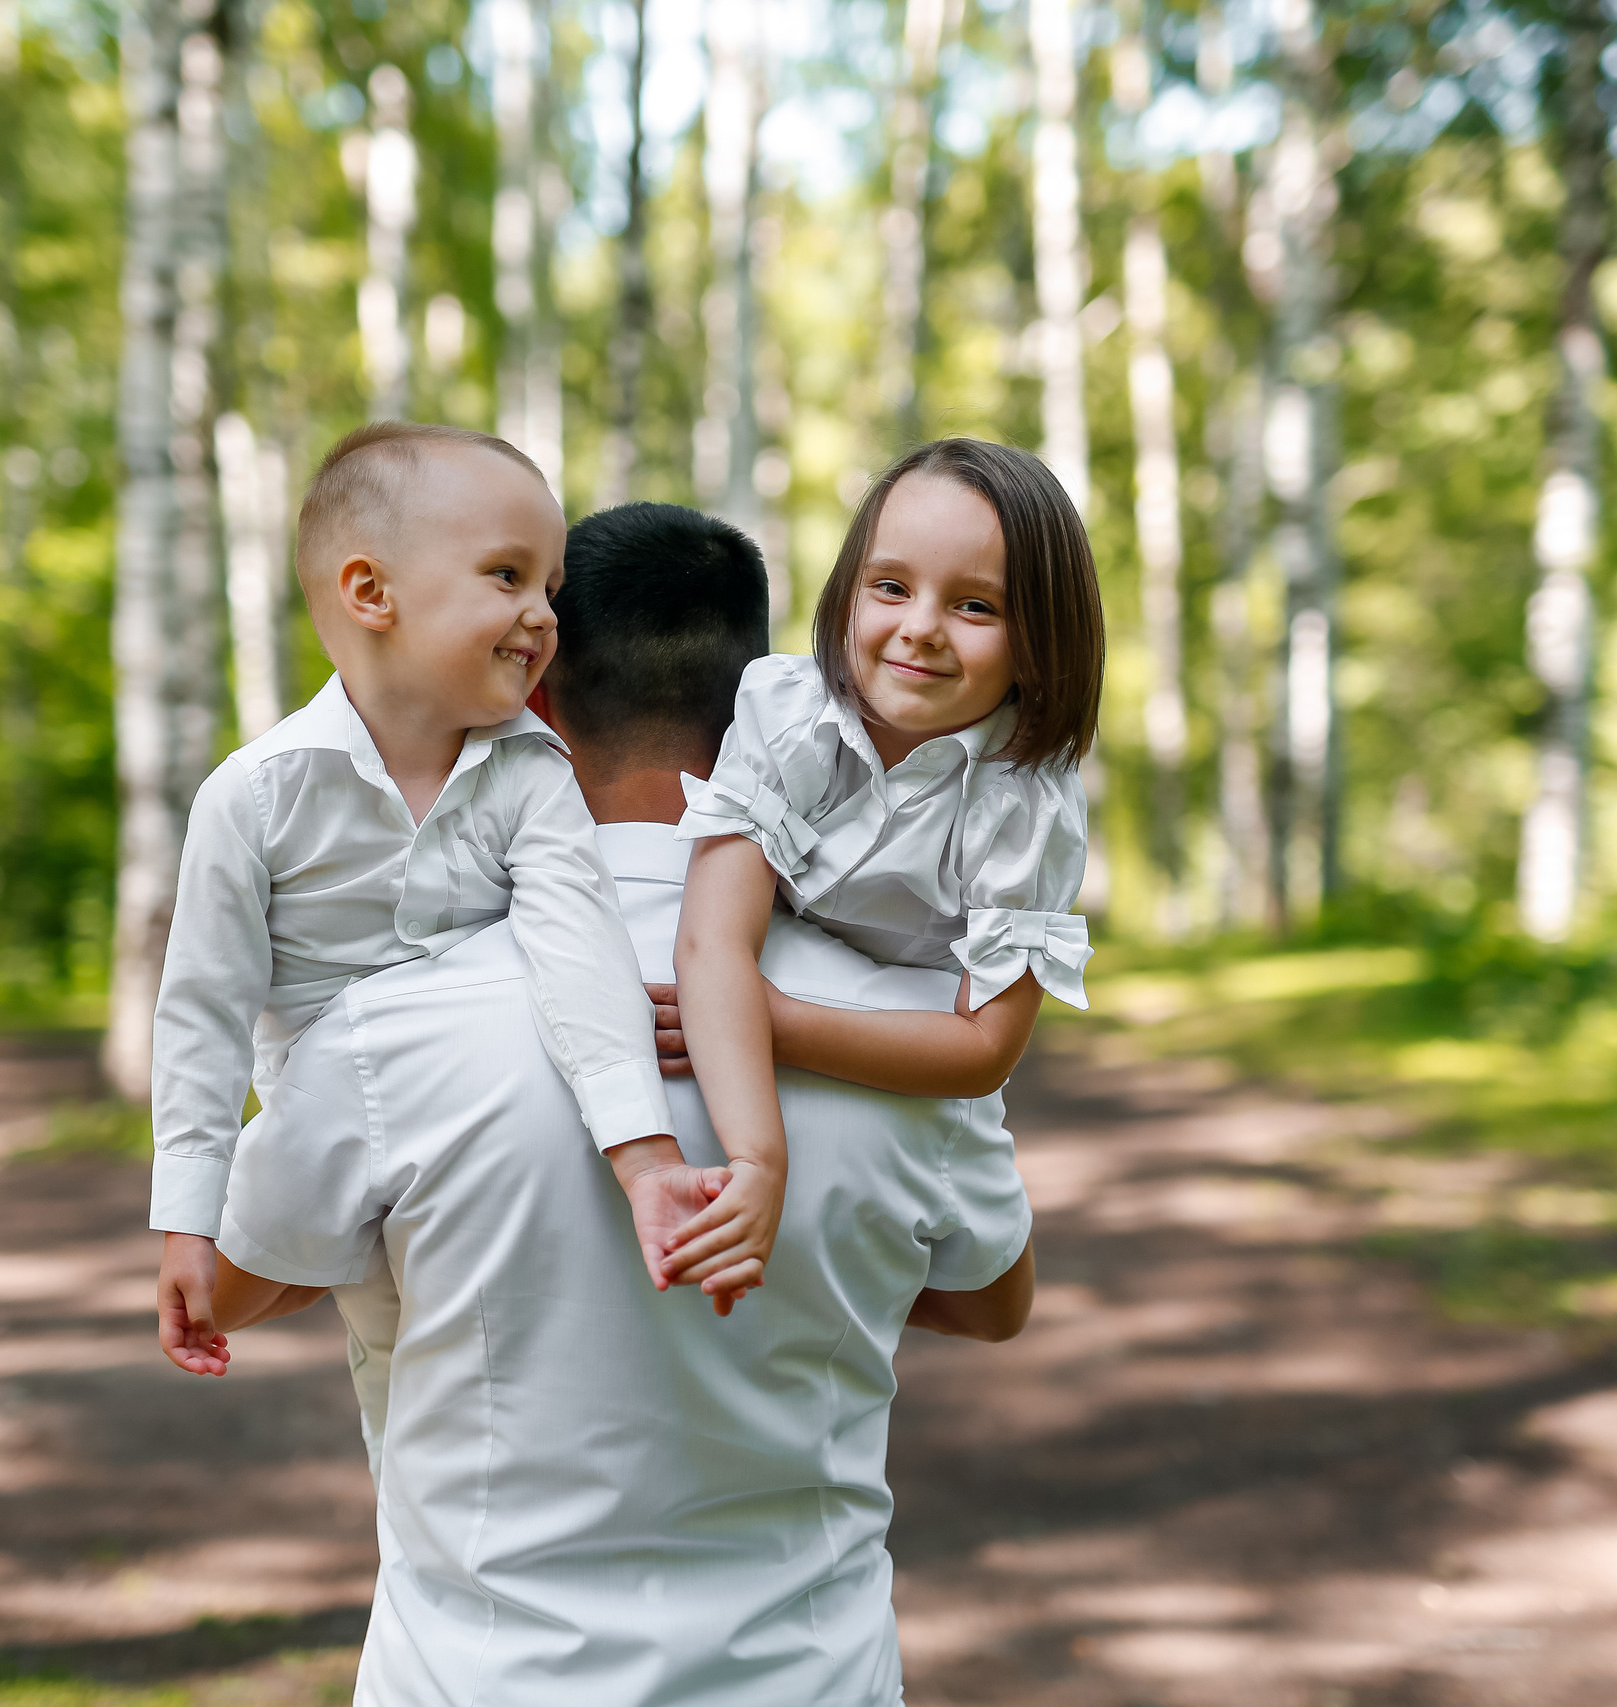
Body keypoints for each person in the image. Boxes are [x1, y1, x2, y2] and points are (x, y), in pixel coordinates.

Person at [205, 501, 1037, 1704]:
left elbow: (227, 1286)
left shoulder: (392, 1027)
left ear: (533, 702)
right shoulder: (907, 1031)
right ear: (767, 702)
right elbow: (989, 1300)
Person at [149, 422, 683, 1380]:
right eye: (507, 576)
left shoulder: (532, 773)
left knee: (488, 1371)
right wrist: (187, 1218)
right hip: (327, 1149)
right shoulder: (257, 793)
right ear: (370, 592)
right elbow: (203, 1016)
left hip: (481, 1140)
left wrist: (644, 1158)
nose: (544, 615)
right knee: (394, 1383)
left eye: (550, 589)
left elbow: (581, 952)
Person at [664, 438, 1106, 1305]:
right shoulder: (788, 713)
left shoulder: (1025, 804)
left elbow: (982, 1048)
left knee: (998, 1305)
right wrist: (759, 1160)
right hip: (771, 981)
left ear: (1040, 639)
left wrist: (778, 1021)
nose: (920, 628)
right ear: (849, 589)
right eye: (891, 586)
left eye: (975, 605)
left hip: (916, 1042)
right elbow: (711, 940)